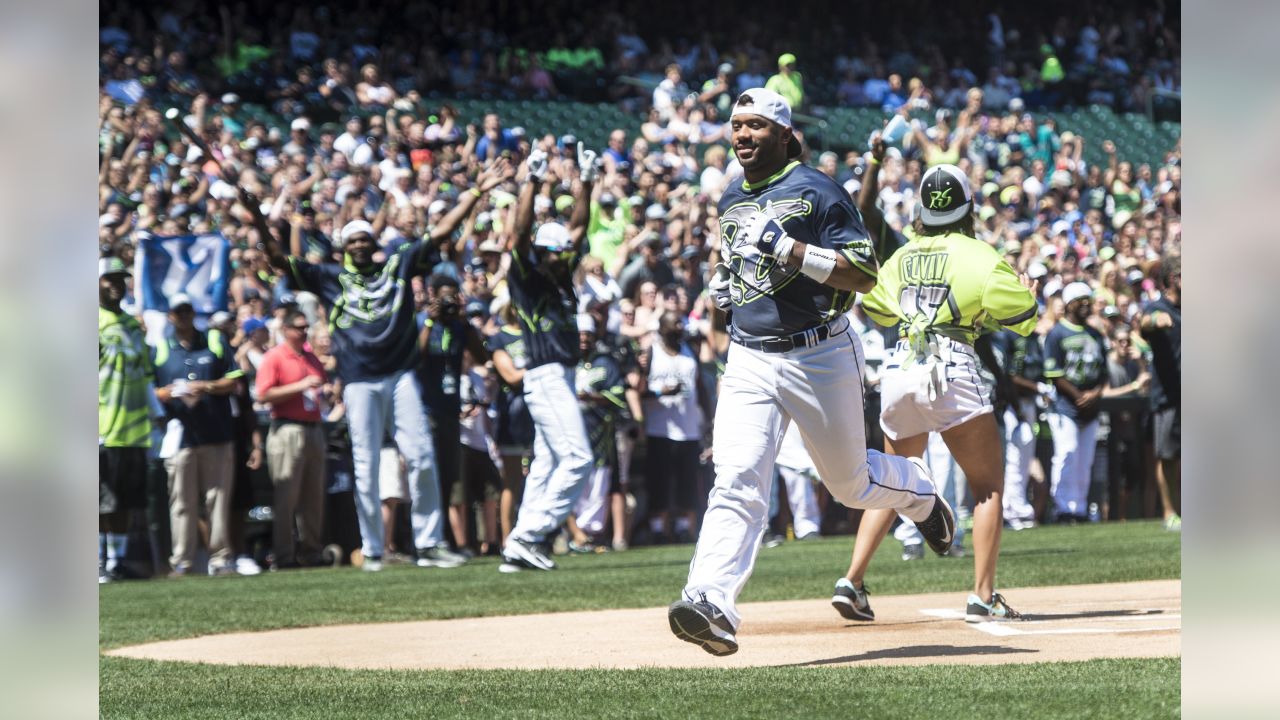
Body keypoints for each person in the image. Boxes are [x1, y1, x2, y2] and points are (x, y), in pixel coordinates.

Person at [668, 89, 952, 657]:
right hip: (750, 354)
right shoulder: (730, 195)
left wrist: (789, 249)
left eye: (755, 126)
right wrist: (726, 288)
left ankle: (920, 493)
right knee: (738, 474)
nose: (742, 136)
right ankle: (710, 602)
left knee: (850, 486)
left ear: (784, 133)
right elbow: (738, 261)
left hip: (819, 352)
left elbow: (865, 275)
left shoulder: (818, 190)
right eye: (736, 126)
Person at [246, 161, 511, 571]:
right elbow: (279, 261)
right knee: (366, 465)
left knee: (421, 455)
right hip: (357, 379)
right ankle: (372, 549)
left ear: (374, 242)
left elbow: (439, 234)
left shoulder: (397, 265)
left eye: (365, 239)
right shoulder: (328, 276)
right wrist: (261, 223)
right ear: (343, 247)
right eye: (352, 241)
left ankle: (429, 543)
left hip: (401, 374)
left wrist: (476, 193)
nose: (359, 245)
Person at [831, 157, 1039, 626]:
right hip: (950, 365)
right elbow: (1024, 316)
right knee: (987, 488)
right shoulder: (980, 255)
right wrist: (1023, 295)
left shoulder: (901, 256)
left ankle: (852, 581)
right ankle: (982, 595)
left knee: (895, 480)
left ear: (922, 209)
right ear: (968, 207)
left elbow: (879, 311)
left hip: (901, 366)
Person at [499, 143, 598, 572]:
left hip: (561, 376)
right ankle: (530, 534)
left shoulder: (559, 276)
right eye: (552, 252)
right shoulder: (529, 278)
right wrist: (533, 182)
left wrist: (587, 184)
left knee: (547, 462)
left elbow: (577, 226)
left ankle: (518, 546)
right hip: (546, 375)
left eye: (561, 252)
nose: (560, 256)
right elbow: (517, 237)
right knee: (578, 459)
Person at [152, 293, 243, 576]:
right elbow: (151, 390)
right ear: (170, 317)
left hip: (216, 431)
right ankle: (182, 560)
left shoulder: (214, 341)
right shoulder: (160, 348)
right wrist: (170, 393)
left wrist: (206, 387)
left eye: (188, 311)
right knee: (182, 501)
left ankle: (220, 557)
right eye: (179, 313)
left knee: (217, 498)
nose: (185, 317)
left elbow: (235, 380)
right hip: (180, 436)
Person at [416, 273, 489, 553]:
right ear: (432, 295)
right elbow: (415, 356)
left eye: (452, 296)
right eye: (443, 296)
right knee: (428, 476)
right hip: (426, 410)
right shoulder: (423, 323)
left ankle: (446, 539)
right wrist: (432, 320)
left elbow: (482, 358)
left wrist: (463, 321)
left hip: (450, 410)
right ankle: (427, 540)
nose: (448, 302)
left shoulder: (460, 327)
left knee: (450, 477)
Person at [255, 307, 329, 569]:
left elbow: (320, 384)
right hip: (287, 429)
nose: (303, 331)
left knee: (313, 496)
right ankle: (284, 555)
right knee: (287, 497)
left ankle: (312, 552)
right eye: (298, 327)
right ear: (285, 330)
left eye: (305, 327)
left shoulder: (310, 357)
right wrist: (300, 386)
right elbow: (262, 395)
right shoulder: (275, 357)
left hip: (314, 428)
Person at [99, 258, 155, 583]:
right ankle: (95, 563)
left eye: (121, 279)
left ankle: (115, 562)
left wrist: (156, 418)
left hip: (132, 430)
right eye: (109, 279)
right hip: (101, 426)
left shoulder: (133, 326)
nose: (116, 284)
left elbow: (146, 375)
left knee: (123, 502)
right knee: (96, 502)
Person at [641, 310, 710, 544]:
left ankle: (683, 527)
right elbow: (638, 389)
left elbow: (700, 388)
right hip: (659, 428)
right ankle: (658, 528)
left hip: (688, 428)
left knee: (687, 481)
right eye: (673, 324)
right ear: (661, 328)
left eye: (680, 323)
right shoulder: (653, 352)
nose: (679, 328)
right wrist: (661, 391)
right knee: (659, 480)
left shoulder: (690, 352)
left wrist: (708, 421)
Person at [1044, 282, 1109, 524]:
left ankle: (1079, 508)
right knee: (1067, 453)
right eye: (1080, 300)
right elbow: (1053, 373)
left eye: (1088, 300)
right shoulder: (1057, 333)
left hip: (1091, 407)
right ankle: (1063, 508)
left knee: (1086, 459)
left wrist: (1095, 393)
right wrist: (1078, 395)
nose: (1086, 305)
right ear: (1069, 304)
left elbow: (1104, 371)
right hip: (1065, 406)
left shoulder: (1095, 334)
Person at [571, 314, 628, 548]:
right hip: (573, 434)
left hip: (601, 434)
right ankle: (576, 533)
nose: (584, 339)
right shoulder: (568, 363)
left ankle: (592, 534)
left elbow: (619, 394)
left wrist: (594, 397)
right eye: (580, 335)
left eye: (588, 334)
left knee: (599, 484)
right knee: (575, 480)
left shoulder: (605, 363)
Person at [1140, 256, 1180, 530]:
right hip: (1168, 396)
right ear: (1171, 279)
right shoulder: (1159, 307)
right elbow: (1144, 323)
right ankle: (1169, 513)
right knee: (1166, 456)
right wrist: (1156, 319)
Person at [990, 327, 1045, 530]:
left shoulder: (1033, 336)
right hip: (1009, 404)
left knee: (1023, 458)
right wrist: (1036, 388)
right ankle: (1010, 509)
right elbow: (1006, 374)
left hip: (1027, 402)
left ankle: (1018, 507)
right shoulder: (1004, 335)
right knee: (1012, 458)